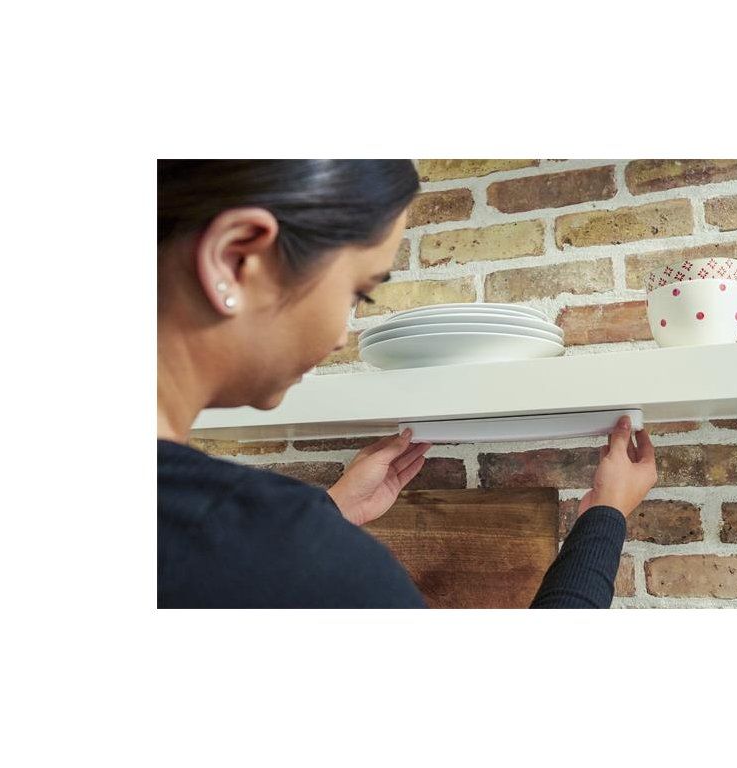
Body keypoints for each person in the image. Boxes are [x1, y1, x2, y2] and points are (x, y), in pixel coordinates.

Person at [158, 160, 659, 608]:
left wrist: (329, 513)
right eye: (357, 292)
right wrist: (605, 518)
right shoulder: (307, 558)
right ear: (234, 259)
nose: (340, 337)